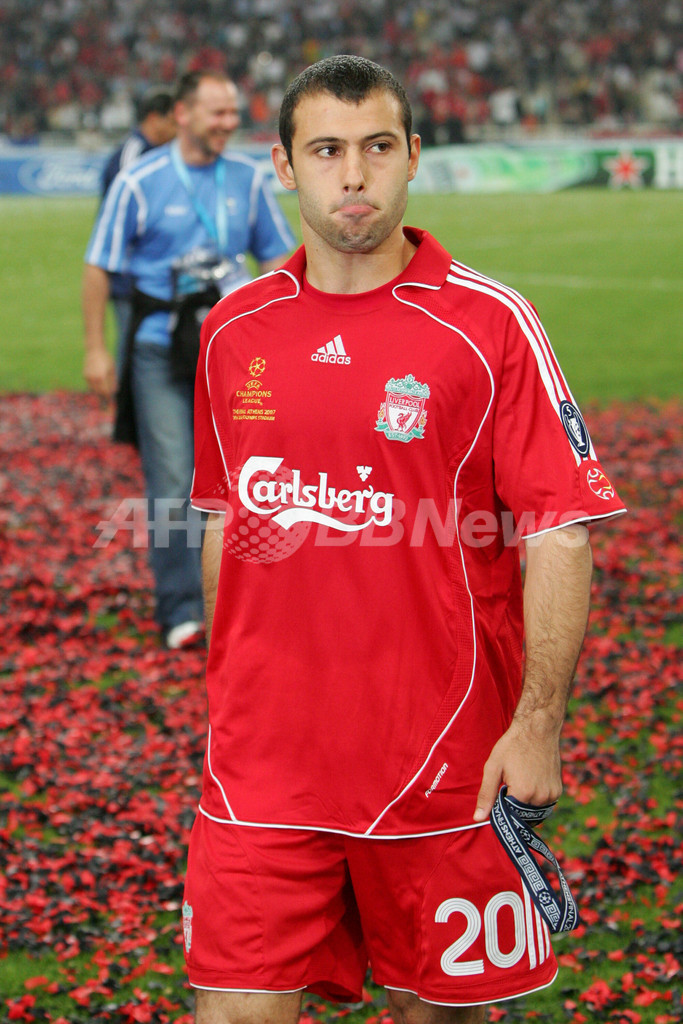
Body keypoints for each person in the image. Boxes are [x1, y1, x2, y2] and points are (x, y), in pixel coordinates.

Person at [184, 55, 626, 1023]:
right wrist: (228, 694)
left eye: (377, 146)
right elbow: (224, 520)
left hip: (443, 771)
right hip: (263, 770)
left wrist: (537, 724)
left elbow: (559, 531)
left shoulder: (490, 324)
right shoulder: (233, 330)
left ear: (413, 155)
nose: (353, 174)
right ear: (282, 165)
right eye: (326, 150)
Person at [82, 69, 295, 649]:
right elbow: (99, 264)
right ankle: (182, 610)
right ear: (183, 113)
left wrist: (284, 334)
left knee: (250, 478)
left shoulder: (248, 179)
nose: (230, 123)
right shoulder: (139, 181)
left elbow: (278, 259)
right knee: (175, 478)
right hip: (159, 350)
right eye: (218, 112)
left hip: (235, 357)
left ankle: (243, 602)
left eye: (233, 113)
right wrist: (97, 349)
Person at [99, 87, 177, 370]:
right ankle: (124, 395)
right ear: (154, 118)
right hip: (129, 276)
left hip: (154, 274)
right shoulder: (132, 157)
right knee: (131, 346)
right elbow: (120, 221)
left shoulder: (161, 153)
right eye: (173, 121)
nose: (178, 129)